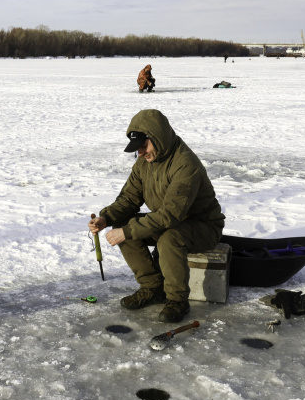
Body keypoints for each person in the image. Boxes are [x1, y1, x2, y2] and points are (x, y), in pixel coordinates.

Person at [88, 109, 225, 323]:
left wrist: (127, 232)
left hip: (203, 227)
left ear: (157, 138)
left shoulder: (185, 164)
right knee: (125, 223)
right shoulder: (144, 162)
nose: (141, 153)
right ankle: (152, 288)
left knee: (169, 237)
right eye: (137, 149)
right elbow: (129, 199)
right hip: (169, 220)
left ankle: (177, 300)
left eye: (144, 146)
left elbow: (170, 215)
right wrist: (106, 218)